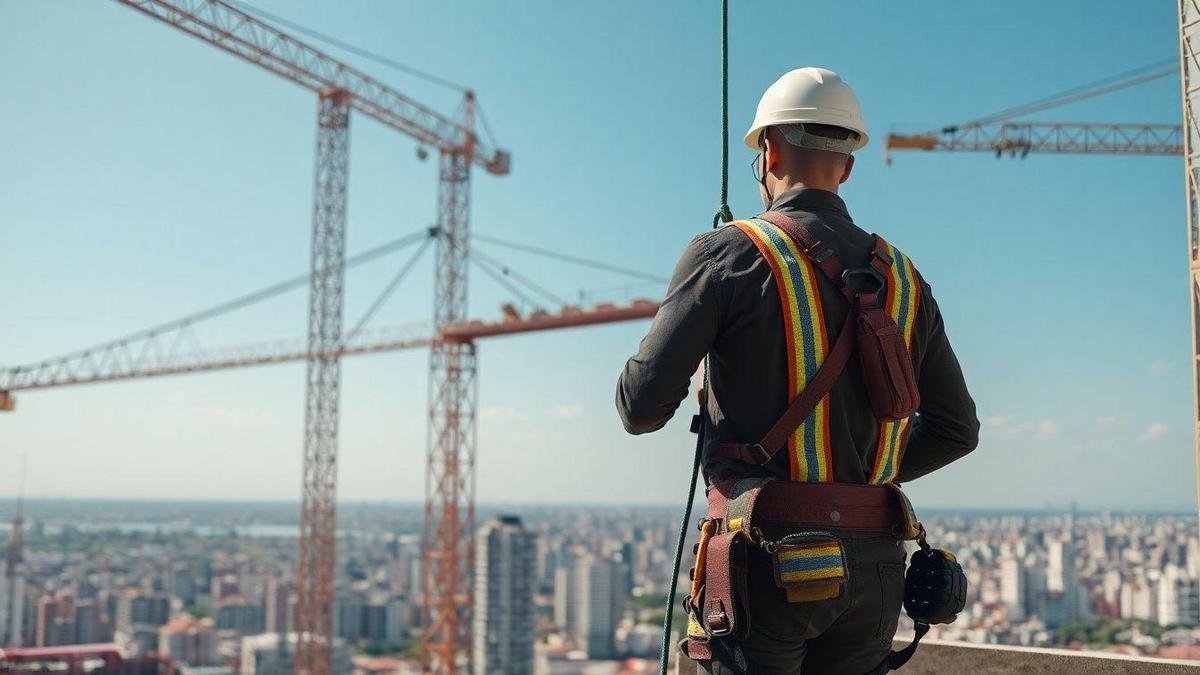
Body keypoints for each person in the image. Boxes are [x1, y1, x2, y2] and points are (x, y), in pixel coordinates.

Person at [615, 67, 980, 674]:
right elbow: (956, 430)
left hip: (770, 560)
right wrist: (854, 481)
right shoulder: (906, 280)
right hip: (877, 572)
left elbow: (640, 408)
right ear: (848, 167)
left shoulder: (729, 253)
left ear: (769, 151)